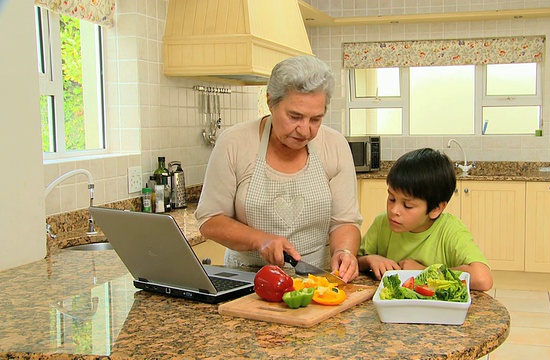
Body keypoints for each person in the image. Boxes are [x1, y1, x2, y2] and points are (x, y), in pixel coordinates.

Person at [195, 56, 362, 282]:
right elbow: (210, 220)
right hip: (247, 279)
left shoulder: (334, 145)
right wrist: (259, 240)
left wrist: (345, 252)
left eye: (316, 119)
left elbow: (344, 221)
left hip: (317, 279)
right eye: (295, 116)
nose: (305, 130)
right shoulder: (234, 143)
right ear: (270, 101)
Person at [357, 148, 493, 291]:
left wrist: (426, 271)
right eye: (391, 198)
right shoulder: (382, 223)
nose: (394, 210)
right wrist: (370, 259)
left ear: (436, 209)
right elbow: (354, 261)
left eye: (407, 205)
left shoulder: (451, 230)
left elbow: (482, 279)